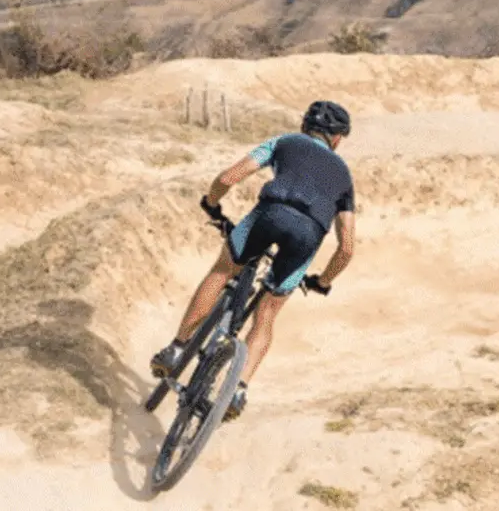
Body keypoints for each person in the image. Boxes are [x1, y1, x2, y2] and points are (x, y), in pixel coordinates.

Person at [150, 100, 356, 421]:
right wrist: (323, 281)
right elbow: (347, 248)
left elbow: (229, 177)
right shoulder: (344, 176)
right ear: (338, 139)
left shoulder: (284, 142)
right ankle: (239, 388)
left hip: (269, 214)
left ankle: (176, 349)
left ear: (305, 125)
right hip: (308, 235)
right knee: (267, 314)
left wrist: (211, 204)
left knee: (222, 271)